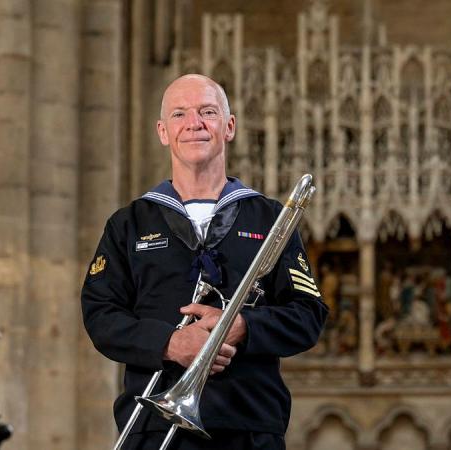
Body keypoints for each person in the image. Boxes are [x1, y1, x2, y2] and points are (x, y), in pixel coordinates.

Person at [81, 74, 328, 449]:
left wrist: (241, 326)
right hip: (153, 427)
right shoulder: (129, 224)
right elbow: (101, 315)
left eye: (208, 112)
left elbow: (309, 315)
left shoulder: (270, 218)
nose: (194, 123)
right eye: (179, 114)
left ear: (229, 127)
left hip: (249, 426)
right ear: (163, 132)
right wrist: (170, 343)